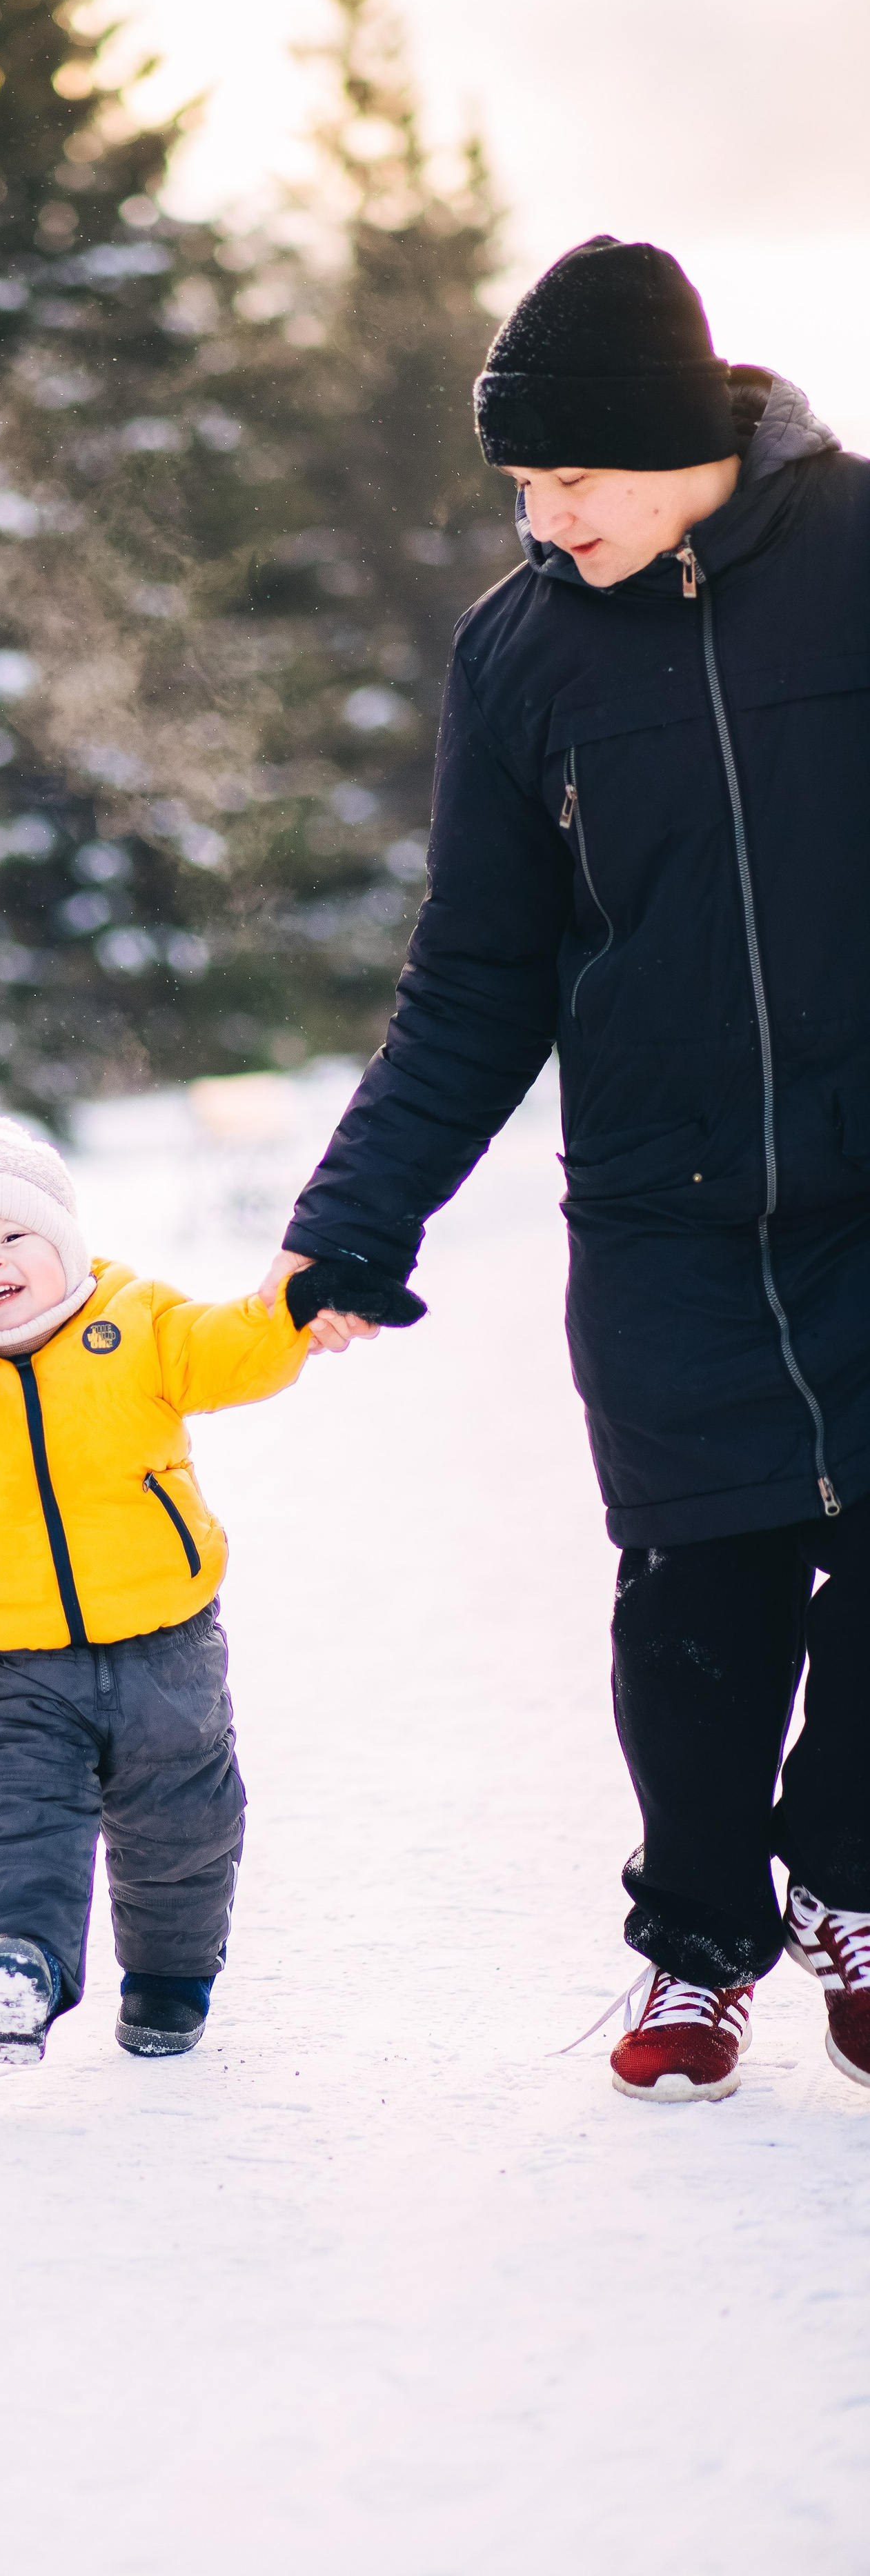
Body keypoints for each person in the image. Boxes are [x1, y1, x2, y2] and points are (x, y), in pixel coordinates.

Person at [270, 235, 870, 2105]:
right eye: (521, 486)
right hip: (664, 1209)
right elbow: (478, 971)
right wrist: (359, 1217)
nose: (544, 516)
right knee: (701, 1603)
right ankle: (700, 1939)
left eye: (570, 478)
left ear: (679, 443)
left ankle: (851, 1877)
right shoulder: (521, 655)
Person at [0, 1117, 413, 2064]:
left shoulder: (136, 1324)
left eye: (14, 1237)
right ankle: (16, 1964)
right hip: (14, 1663)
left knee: (186, 1824)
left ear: (66, 1245)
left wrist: (298, 1307)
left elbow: (231, 1348)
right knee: (18, 1821)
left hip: (167, 1647)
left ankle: (171, 1981)